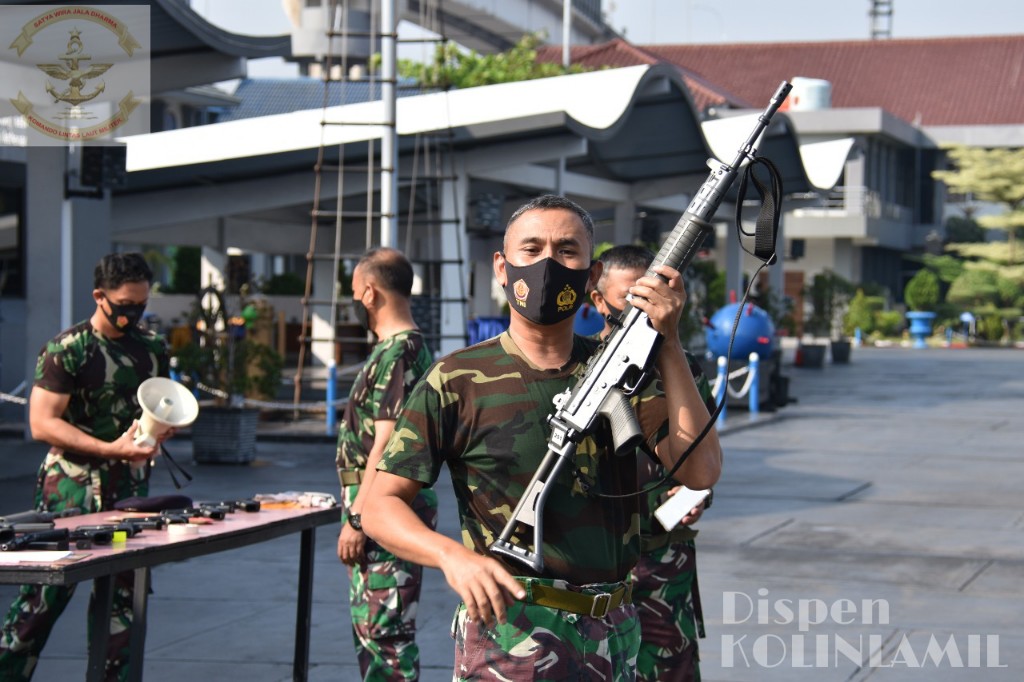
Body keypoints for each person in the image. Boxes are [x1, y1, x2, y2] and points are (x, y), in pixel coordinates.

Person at [362, 194, 722, 680]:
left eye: (567, 250)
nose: (548, 264)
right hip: (511, 634)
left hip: (616, 633)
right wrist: (453, 557)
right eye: (531, 250)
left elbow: (700, 471)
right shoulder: (458, 378)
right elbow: (379, 505)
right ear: (502, 267)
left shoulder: (625, 375)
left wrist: (669, 341)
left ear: (591, 275)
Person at [0, 252, 171, 682]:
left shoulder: (151, 349)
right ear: (99, 297)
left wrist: (161, 433)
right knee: (41, 601)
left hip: (131, 496)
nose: (133, 314)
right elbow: (41, 423)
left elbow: (159, 406)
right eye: (125, 305)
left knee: (124, 609)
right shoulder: (68, 349)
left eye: (141, 305)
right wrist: (109, 449)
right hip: (71, 494)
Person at [590, 244, 717, 682]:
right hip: (597, 564)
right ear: (598, 300)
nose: (641, 308)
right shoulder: (577, 369)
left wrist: (697, 492)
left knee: (669, 669)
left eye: (650, 296)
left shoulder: (683, 370)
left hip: (664, 561)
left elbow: (707, 462)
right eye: (629, 297)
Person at [334, 247, 438, 680]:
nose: (355, 301)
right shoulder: (395, 350)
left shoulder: (400, 352)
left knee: (384, 637)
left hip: (382, 510)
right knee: (373, 630)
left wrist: (358, 518)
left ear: (371, 293)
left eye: (356, 292)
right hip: (377, 507)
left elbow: (386, 444)